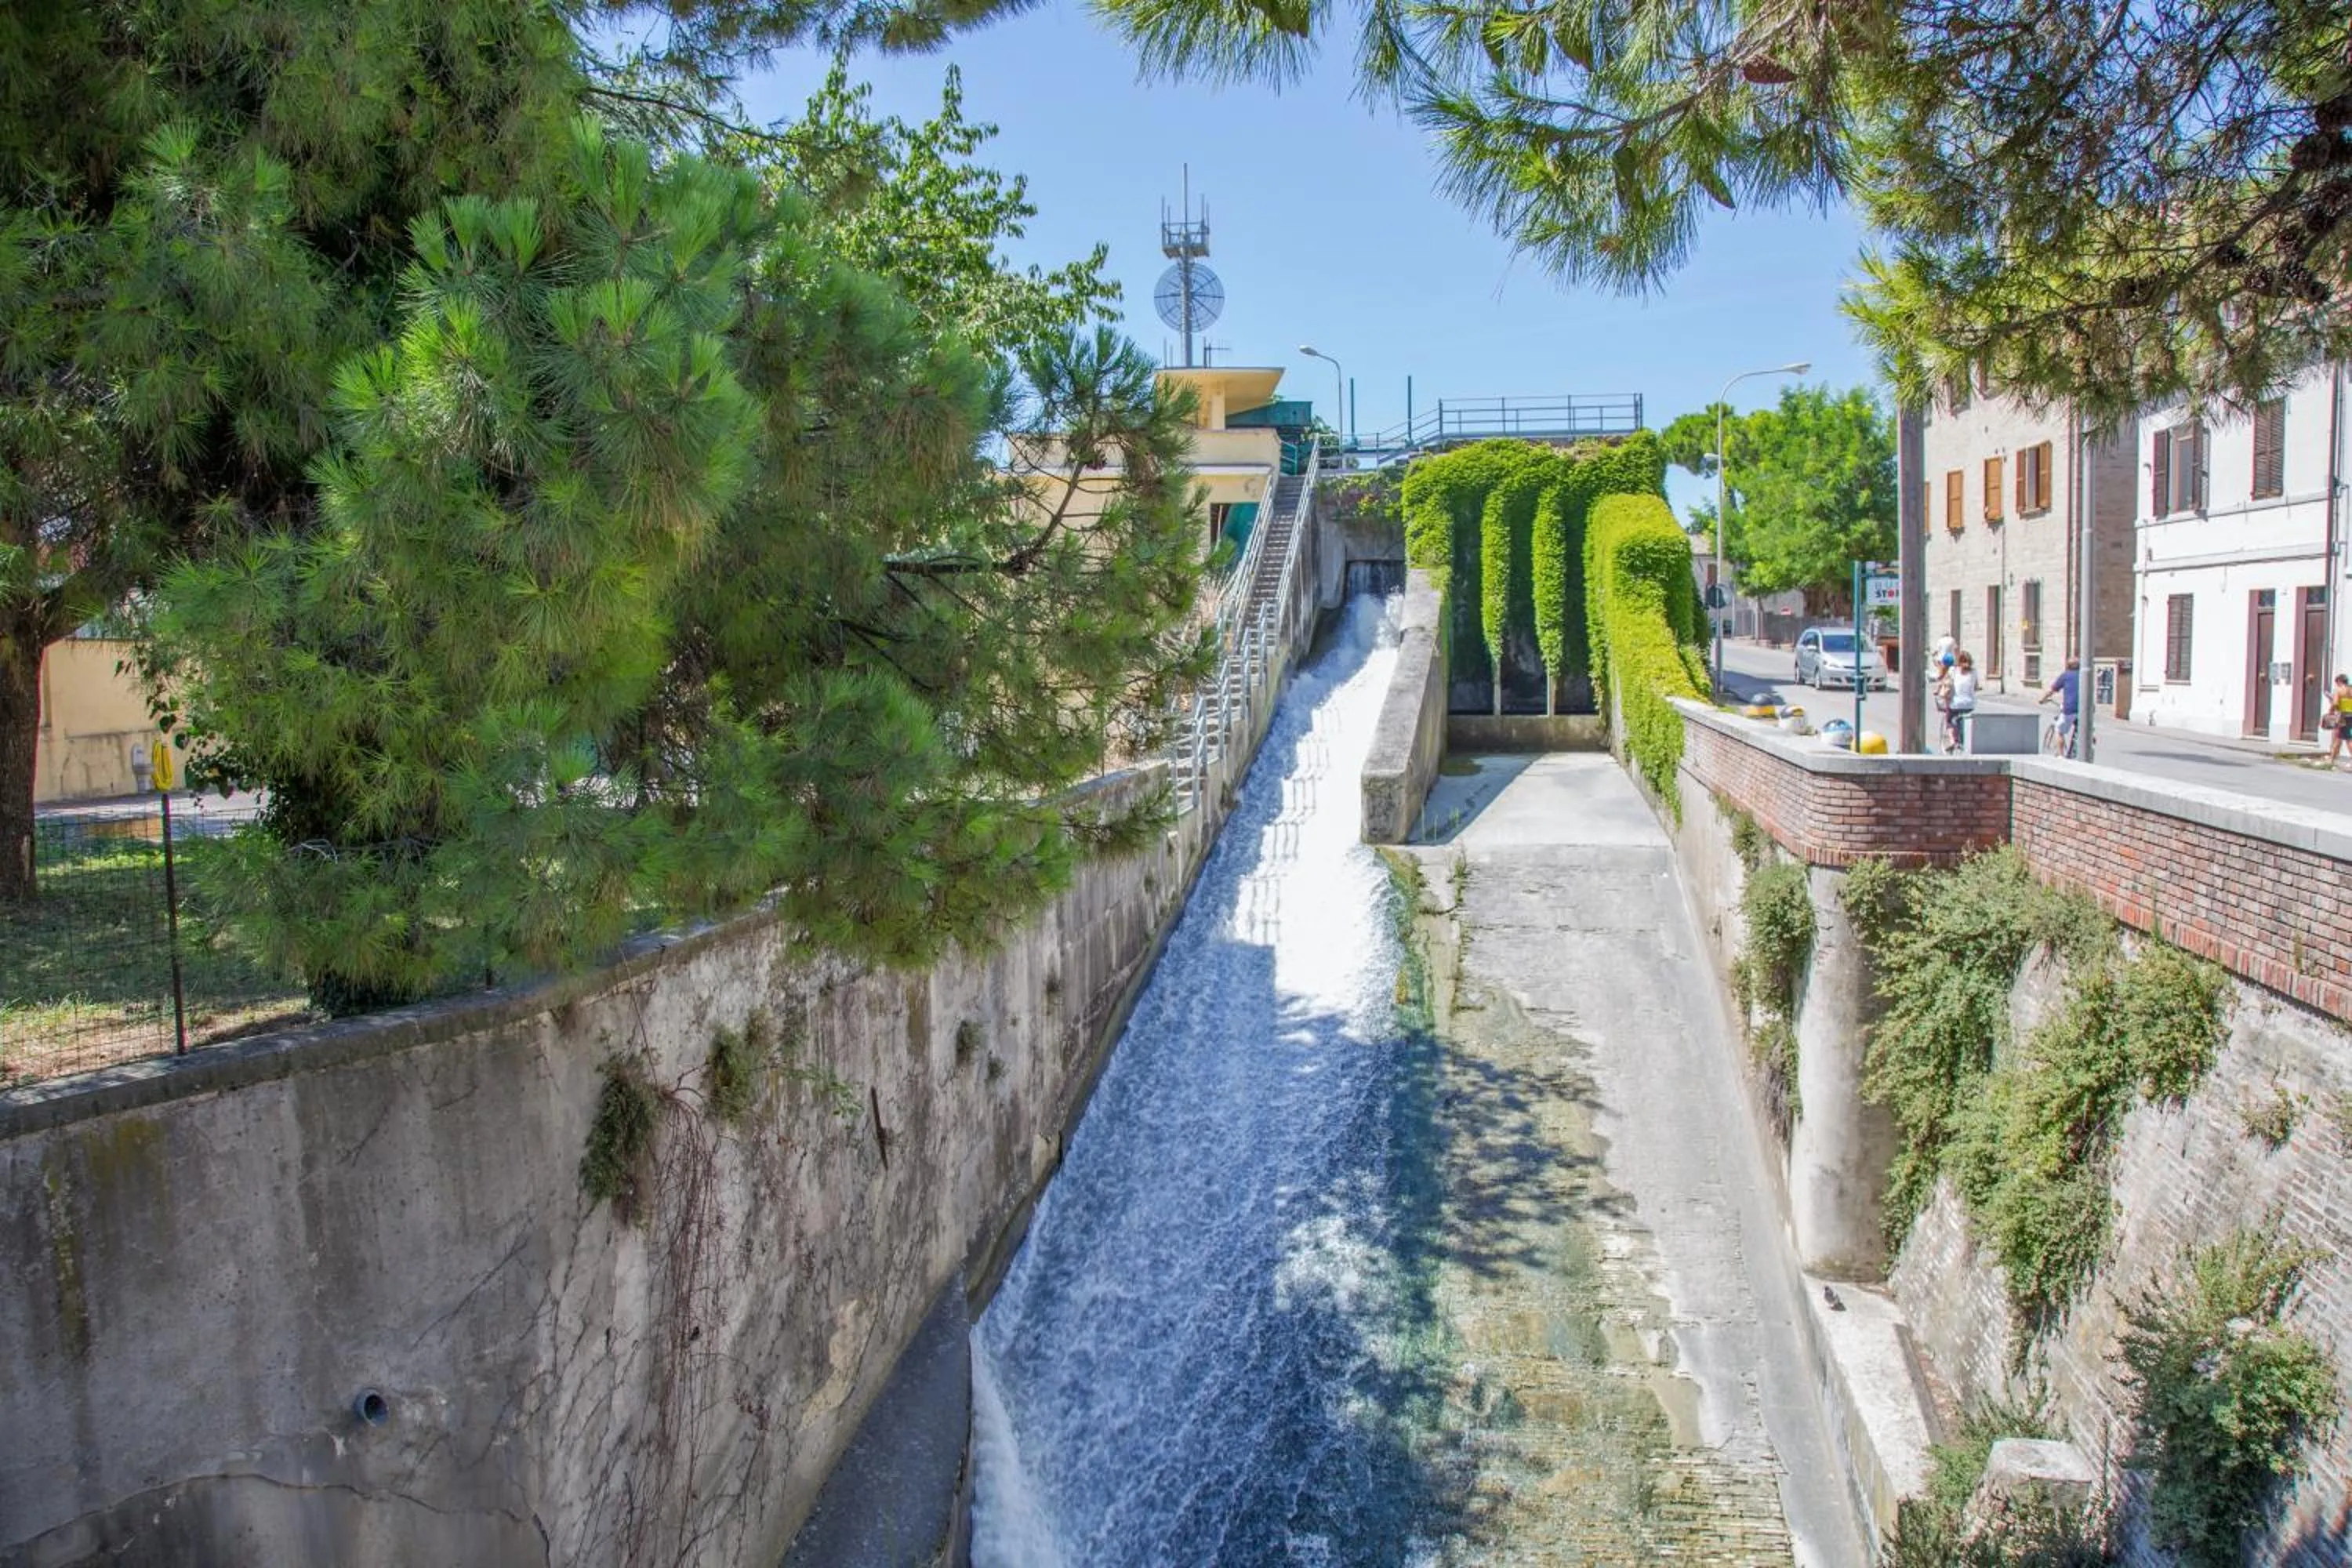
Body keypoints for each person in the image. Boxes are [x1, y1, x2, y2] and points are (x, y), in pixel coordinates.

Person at [2040, 657, 2082, 757]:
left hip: (2070, 708)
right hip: (2085, 709)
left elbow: (2052, 690)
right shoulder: (2084, 675)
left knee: (2059, 730)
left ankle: (2061, 756)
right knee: (2080, 727)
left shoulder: (2065, 676)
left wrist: (2042, 699)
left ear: (2068, 666)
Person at [1946, 650, 1980, 753]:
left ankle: (1952, 741)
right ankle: (1965, 741)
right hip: (1970, 704)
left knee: (1949, 721)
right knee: (1967, 720)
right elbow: (1976, 687)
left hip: (1956, 704)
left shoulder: (1953, 670)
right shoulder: (1974, 672)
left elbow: (1947, 684)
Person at [2326, 673, 2352, 769]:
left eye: (2337, 683)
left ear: (2340, 681)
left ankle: (2332, 759)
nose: (2336, 685)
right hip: (2351, 715)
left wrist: (2331, 710)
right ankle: (2332, 759)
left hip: (2343, 716)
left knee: (2348, 738)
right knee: (2339, 738)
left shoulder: (2339, 690)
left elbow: (2336, 703)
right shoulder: (2351, 689)